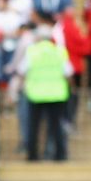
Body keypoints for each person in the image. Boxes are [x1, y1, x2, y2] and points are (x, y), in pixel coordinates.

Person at [21, 14, 73, 161]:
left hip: (35, 95)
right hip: (56, 95)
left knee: (34, 128)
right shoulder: (59, 51)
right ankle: (60, 155)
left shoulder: (32, 51)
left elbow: (22, 71)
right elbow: (68, 74)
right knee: (56, 127)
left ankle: (32, 156)